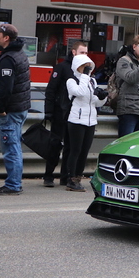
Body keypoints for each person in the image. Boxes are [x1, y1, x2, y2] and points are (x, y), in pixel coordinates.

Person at [0, 24, 31, 195]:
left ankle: (13, 185)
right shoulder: (19, 54)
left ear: (6, 38)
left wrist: (0, 109)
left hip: (11, 110)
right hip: (19, 107)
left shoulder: (8, 58)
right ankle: (14, 182)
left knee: (11, 148)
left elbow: (6, 87)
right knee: (14, 146)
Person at [42, 40, 88, 187]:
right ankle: (48, 176)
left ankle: (65, 176)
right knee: (55, 144)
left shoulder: (85, 72)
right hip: (59, 112)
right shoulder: (62, 67)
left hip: (74, 114)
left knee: (70, 147)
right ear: (74, 52)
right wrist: (48, 111)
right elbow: (51, 90)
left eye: (86, 53)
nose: (85, 56)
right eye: (82, 52)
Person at [65, 54, 107, 192]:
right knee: (75, 150)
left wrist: (102, 97)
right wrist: (85, 76)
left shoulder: (91, 81)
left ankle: (78, 177)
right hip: (76, 120)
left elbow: (94, 102)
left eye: (89, 66)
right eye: (84, 66)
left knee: (84, 152)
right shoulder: (71, 81)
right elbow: (80, 92)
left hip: (90, 121)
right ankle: (71, 179)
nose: (88, 69)